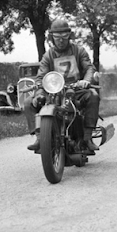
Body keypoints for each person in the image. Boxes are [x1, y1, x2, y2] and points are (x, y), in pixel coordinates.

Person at [24, 18, 100, 152]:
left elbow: (89, 68)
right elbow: (41, 77)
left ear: (69, 36)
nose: (60, 40)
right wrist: (40, 93)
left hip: (77, 89)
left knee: (93, 96)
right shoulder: (48, 56)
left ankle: (87, 138)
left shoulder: (79, 50)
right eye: (57, 37)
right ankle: (40, 137)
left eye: (64, 37)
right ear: (52, 37)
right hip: (54, 91)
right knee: (30, 101)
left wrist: (86, 81)